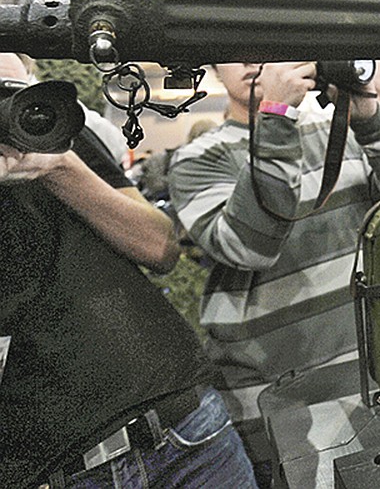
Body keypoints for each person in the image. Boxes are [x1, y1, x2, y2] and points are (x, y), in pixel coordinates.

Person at [0, 53, 255, 489]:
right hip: (58, 467)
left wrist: (60, 166)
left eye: (13, 89)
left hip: (184, 423)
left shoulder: (51, 132)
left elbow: (160, 247)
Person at [167, 61, 380, 478]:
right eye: (239, 51)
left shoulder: (334, 132)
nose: (255, 60)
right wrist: (276, 115)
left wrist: (370, 119)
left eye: (266, 47)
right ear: (215, 67)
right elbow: (249, 246)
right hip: (272, 397)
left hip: (364, 376)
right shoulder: (199, 157)